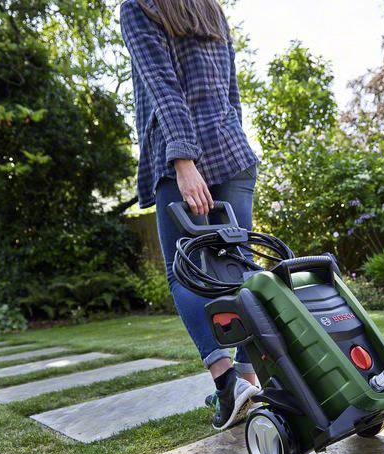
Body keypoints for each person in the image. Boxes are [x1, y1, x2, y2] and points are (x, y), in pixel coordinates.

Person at [120, 0, 260, 430]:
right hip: (232, 150)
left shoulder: (140, 7)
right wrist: (233, 137)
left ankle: (229, 383)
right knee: (240, 269)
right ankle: (250, 380)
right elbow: (231, 95)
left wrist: (183, 160)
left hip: (182, 159)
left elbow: (163, 87)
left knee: (184, 273)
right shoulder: (209, 7)